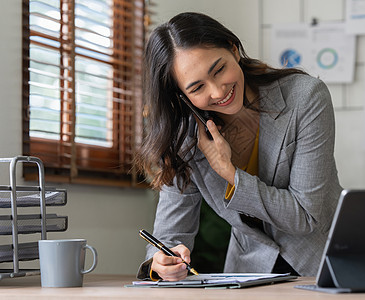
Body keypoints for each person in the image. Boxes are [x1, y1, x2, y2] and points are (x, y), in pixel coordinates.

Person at [135, 12, 342, 281]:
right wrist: (161, 261)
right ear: (182, 96)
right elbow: (169, 234)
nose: (218, 92)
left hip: (321, 265)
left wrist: (230, 173)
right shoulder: (185, 137)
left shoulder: (305, 98)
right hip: (247, 275)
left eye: (219, 70)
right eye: (197, 87)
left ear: (233, 49)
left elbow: (305, 216)